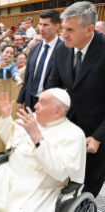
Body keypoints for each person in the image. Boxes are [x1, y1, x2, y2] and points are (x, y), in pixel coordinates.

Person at [0, 89, 86, 212]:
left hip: (39, 188)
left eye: (42, 103)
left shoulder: (74, 134)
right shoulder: (32, 117)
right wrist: (6, 116)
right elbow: (10, 138)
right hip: (7, 176)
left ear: (57, 111)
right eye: (38, 101)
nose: (35, 106)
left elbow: (61, 173)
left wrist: (37, 138)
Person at [45, 2, 105, 198]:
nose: (63, 35)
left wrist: (98, 137)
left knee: (89, 188)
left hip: (96, 137)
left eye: (70, 30)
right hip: (66, 132)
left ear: (89, 30)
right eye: (63, 28)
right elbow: (52, 87)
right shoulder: (62, 49)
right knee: (63, 183)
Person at [17, 9, 62, 112]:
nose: (41, 28)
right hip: (30, 102)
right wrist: (21, 99)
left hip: (50, 105)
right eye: (40, 24)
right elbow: (28, 77)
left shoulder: (65, 50)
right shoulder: (34, 48)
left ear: (56, 26)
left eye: (46, 25)